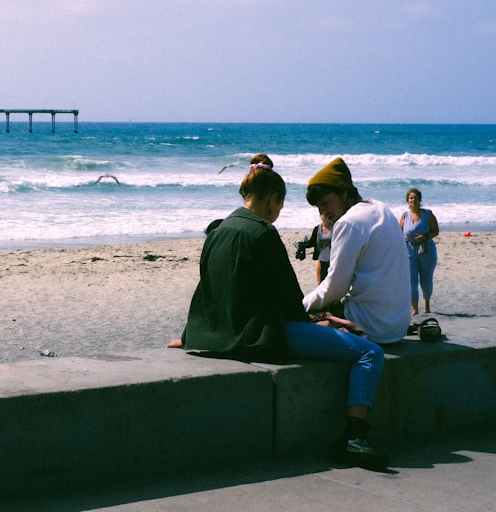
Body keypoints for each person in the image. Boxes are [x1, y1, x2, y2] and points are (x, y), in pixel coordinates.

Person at [171, 154, 388, 466]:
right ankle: (354, 436)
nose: (277, 215)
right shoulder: (263, 234)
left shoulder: (217, 231)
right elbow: (289, 302)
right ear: (273, 199)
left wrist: (190, 334)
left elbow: (207, 292)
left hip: (216, 336)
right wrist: (323, 324)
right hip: (263, 336)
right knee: (370, 353)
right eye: (280, 207)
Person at [302, 157, 410, 345]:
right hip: (397, 325)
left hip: (372, 326)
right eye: (319, 207)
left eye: (326, 203)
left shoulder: (349, 222)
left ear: (344, 192)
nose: (323, 212)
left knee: (299, 323)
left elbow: (335, 288)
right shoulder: (381, 208)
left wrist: (299, 305)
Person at [399, 188, 439, 315]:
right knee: (411, 281)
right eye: (411, 198)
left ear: (420, 200)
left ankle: (427, 304)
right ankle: (414, 308)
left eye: (416, 198)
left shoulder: (428, 214)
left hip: (426, 251)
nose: (413, 200)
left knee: (426, 280)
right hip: (409, 252)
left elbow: (436, 230)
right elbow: (398, 233)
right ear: (407, 200)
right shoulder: (405, 216)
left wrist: (426, 237)